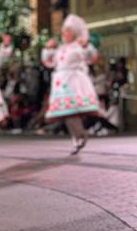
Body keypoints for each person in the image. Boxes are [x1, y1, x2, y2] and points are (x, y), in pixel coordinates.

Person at [41, 14, 102, 154]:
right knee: (66, 113)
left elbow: (91, 57)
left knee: (72, 112)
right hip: (61, 83)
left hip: (74, 82)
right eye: (63, 32)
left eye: (67, 32)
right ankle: (78, 136)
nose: (64, 35)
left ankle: (79, 135)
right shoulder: (61, 48)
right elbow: (49, 62)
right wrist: (48, 49)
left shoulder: (78, 46)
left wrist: (86, 45)